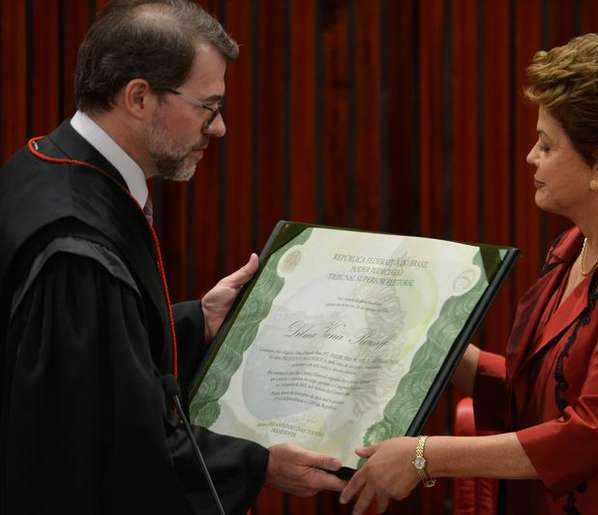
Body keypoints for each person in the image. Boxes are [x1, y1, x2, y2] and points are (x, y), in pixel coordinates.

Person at [339, 33, 598, 514]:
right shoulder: (575, 247)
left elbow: (590, 431)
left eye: (547, 145)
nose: (531, 156)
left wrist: (424, 456)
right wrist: (426, 343)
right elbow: (543, 395)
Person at [0, 1, 345, 513]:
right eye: (208, 107)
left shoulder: (42, 165)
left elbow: (94, 360)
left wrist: (196, 322)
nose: (220, 128)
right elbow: (114, 452)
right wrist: (258, 465)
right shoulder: (76, 249)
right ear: (139, 97)